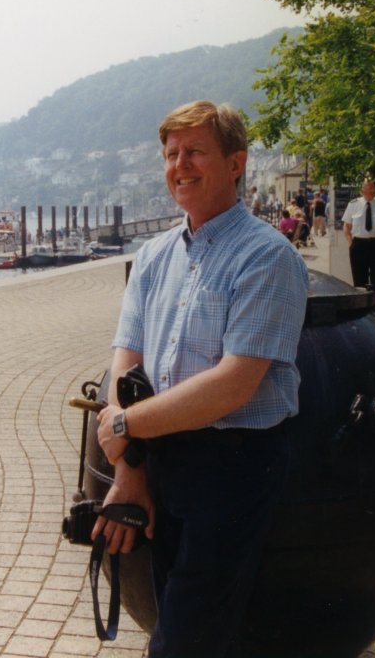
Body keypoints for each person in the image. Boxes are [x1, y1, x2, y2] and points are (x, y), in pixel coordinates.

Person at [92, 100, 309, 658]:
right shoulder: (153, 256)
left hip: (233, 465)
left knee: (187, 637)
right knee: (174, 610)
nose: (179, 165)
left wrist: (123, 424)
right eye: (171, 154)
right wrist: (130, 466)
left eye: (195, 152)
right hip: (162, 459)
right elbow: (126, 362)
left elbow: (234, 384)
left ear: (236, 163)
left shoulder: (268, 257)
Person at [342, 179, 375, 317]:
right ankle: (362, 314)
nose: (371, 191)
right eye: (368, 189)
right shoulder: (353, 205)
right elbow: (346, 227)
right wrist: (351, 243)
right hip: (359, 245)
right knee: (360, 282)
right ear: (361, 191)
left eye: (373, 188)